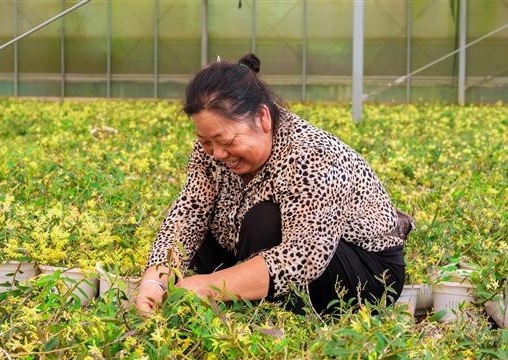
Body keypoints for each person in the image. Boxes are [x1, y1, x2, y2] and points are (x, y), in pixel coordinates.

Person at [136, 53, 410, 317]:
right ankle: (243, 290)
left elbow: (303, 257)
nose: (217, 154)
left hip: (362, 270)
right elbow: (189, 211)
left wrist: (208, 286)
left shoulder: (312, 155)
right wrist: (155, 280)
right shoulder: (211, 150)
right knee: (200, 231)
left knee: (265, 220)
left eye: (228, 142)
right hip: (253, 250)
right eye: (206, 141)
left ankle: (253, 300)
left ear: (263, 118)